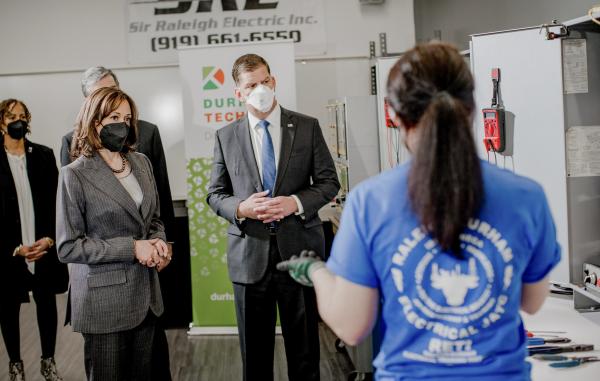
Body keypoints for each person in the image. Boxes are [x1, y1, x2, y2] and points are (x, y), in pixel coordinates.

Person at [278, 43, 561, 381]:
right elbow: (531, 301)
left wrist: (317, 273)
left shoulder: (371, 201)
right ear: (471, 108)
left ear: (394, 115)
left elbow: (353, 327)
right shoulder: (526, 196)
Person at [206, 53, 340, 381]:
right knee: (255, 358)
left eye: (265, 81)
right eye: (251, 85)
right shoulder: (226, 136)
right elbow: (214, 195)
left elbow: (329, 182)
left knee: (306, 354)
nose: (260, 89)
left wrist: (294, 202)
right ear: (238, 92)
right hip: (249, 257)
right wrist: (242, 208)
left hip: (300, 253)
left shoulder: (306, 126)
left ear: (274, 81)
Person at [59, 66, 175, 381]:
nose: (122, 126)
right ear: (94, 122)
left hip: (146, 297)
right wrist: (133, 248)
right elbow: (68, 246)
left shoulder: (141, 162)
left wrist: (159, 241)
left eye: (126, 119)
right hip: (104, 302)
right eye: (114, 119)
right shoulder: (75, 174)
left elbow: (153, 219)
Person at [0, 99, 69, 381]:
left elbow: (58, 204)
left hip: (43, 247)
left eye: (23, 116)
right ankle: (15, 364)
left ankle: (48, 361)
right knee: (7, 308)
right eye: (11, 116)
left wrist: (50, 239)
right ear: (0, 122)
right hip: (11, 251)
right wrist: (14, 248)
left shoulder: (43, 155)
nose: (19, 121)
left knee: (47, 304)